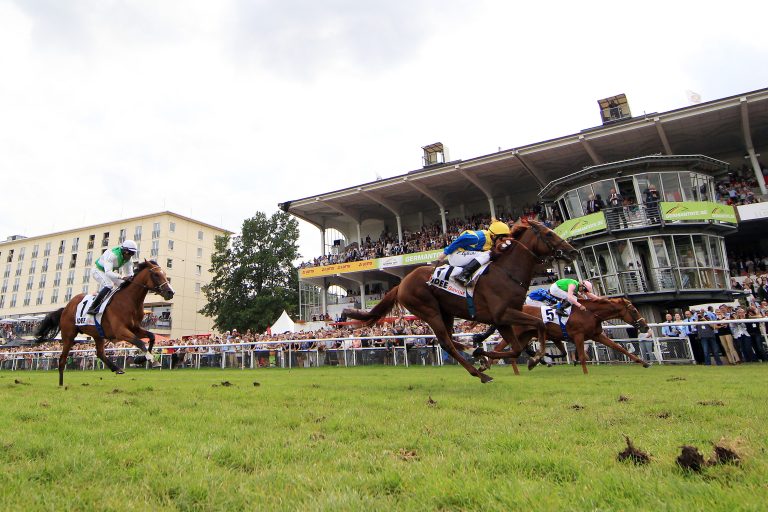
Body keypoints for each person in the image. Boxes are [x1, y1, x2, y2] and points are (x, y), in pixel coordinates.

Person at [437, 220, 511, 286]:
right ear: (494, 236)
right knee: (488, 254)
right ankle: (463, 276)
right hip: (455, 255)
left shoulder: (490, 239)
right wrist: (444, 254)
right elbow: (459, 241)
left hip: (464, 254)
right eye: (501, 238)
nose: (502, 241)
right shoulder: (478, 238)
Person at [87, 239, 138, 315]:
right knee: (109, 285)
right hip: (98, 270)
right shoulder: (113, 255)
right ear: (124, 250)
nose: (131, 255)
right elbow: (108, 272)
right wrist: (122, 277)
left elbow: (129, 274)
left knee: (123, 285)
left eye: (133, 253)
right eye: (130, 253)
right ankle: (92, 307)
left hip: (109, 272)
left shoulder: (128, 259)